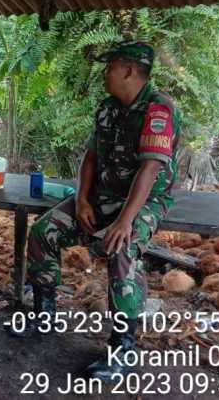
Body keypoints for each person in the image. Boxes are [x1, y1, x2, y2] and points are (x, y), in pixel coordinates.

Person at [11, 40, 181, 382]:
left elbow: (149, 171)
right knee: (45, 230)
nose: (104, 73)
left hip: (143, 202)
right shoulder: (106, 107)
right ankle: (44, 313)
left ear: (129, 71)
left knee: (123, 247)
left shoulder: (158, 110)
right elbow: (91, 157)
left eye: (110, 67)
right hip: (101, 196)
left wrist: (124, 221)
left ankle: (122, 350)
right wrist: (83, 199)